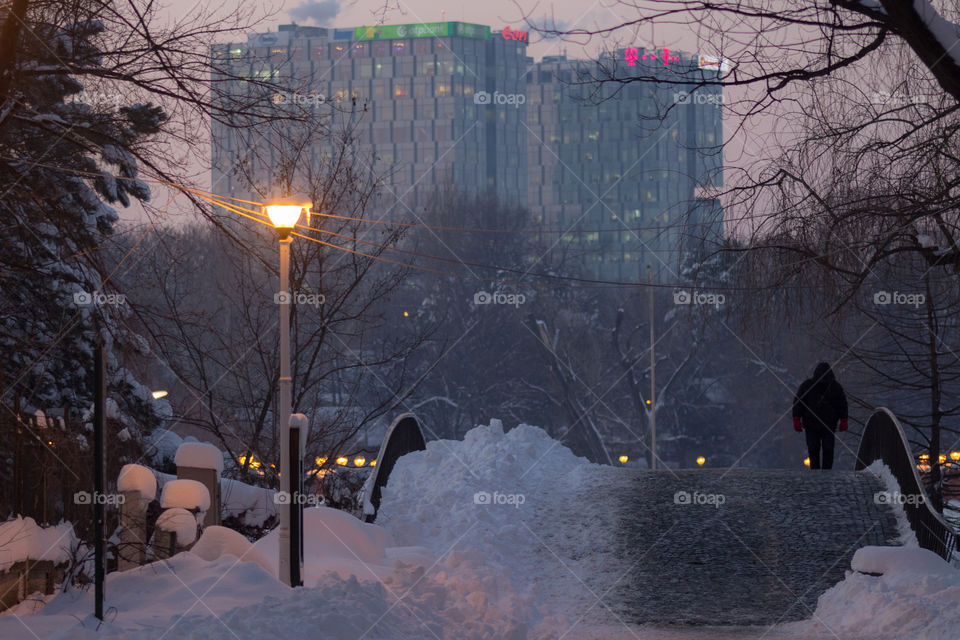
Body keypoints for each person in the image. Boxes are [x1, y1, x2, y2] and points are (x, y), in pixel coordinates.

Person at [792, 362, 848, 470]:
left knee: (813, 448)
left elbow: (798, 403)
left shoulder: (807, 385)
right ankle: (826, 472)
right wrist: (843, 419)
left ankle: (815, 471)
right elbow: (842, 404)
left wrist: (796, 419)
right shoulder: (835, 387)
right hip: (829, 424)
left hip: (811, 424)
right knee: (828, 449)